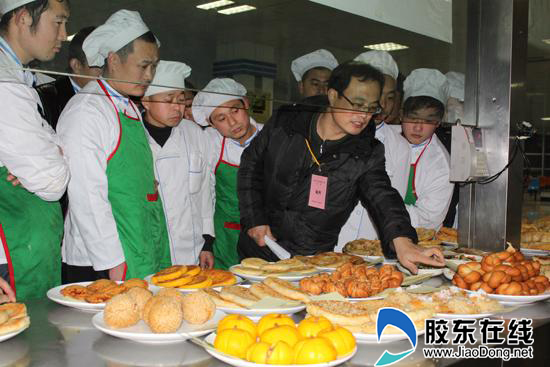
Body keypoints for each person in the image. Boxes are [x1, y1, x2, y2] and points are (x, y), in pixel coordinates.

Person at [237, 61, 445, 274]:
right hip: (258, 250)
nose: (363, 116)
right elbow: (250, 167)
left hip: (309, 261)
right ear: (333, 95)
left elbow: (382, 195)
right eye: (356, 104)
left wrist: (403, 241)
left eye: (371, 108)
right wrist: (255, 219)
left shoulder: (365, 151)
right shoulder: (288, 121)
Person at [57, 9, 171, 283]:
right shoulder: (88, 109)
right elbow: (86, 192)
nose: (149, 75)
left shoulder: (127, 108)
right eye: (143, 65)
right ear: (113, 59)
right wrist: (110, 258)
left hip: (137, 241)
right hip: (102, 260)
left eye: (154, 66)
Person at [0, 0, 70, 300]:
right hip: (12, 252)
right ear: (24, 17)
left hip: (30, 242)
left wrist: (50, 152)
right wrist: (56, 154)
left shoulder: (20, 78)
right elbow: (52, 182)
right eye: (58, 21)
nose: (64, 34)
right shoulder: (5, 84)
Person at [141, 60, 214, 268]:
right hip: (148, 247)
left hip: (190, 248)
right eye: (168, 100)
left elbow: (206, 192)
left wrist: (207, 242)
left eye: (181, 100)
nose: (177, 108)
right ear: (146, 101)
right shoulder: (132, 135)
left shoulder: (194, 134)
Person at [338, 51, 410, 248]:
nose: (383, 106)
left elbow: (392, 202)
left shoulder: (401, 147)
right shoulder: (334, 135)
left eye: (390, 97)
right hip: (327, 247)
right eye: (378, 97)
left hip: (373, 250)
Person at [192, 78, 262, 270]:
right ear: (211, 124)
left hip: (265, 236)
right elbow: (205, 195)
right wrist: (206, 243)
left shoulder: (272, 139)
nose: (232, 122)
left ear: (246, 104)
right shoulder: (211, 144)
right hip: (224, 238)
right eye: (221, 119)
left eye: (235, 110)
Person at [400, 68, 454, 229]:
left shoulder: (440, 163)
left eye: (428, 121)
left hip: (416, 239)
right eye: (413, 118)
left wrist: (383, 207)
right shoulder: (383, 140)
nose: (418, 128)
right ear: (401, 115)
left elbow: (429, 220)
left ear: (438, 122)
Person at [36, 26, 101, 129]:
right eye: (99, 65)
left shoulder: (116, 98)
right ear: (76, 65)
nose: (107, 73)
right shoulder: (44, 98)